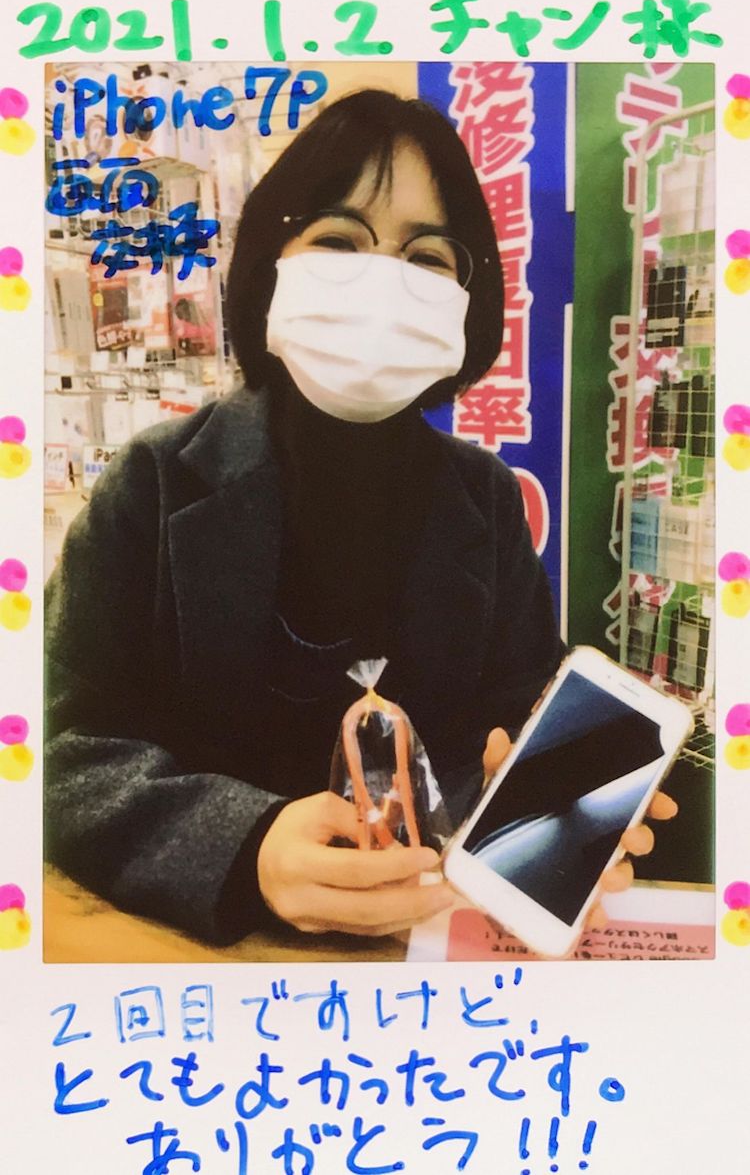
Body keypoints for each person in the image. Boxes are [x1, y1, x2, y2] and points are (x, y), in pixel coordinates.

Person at [45, 89, 673, 948]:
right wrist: (244, 847)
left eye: (426, 256)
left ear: (466, 297)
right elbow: (55, 743)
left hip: (425, 957)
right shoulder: (153, 483)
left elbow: (519, 709)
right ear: (269, 264)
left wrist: (554, 804)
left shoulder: (485, 499)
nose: (383, 283)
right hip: (195, 959)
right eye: (339, 241)